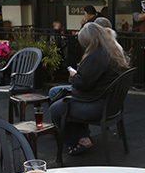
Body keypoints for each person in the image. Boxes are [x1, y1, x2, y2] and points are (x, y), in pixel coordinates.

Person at [49, 22, 130, 156]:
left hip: (97, 105)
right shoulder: (111, 50)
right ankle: (82, 136)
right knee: (58, 94)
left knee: (56, 109)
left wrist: (73, 76)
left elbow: (81, 84)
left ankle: (74, 142)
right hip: (109, 103)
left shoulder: (97, 56)